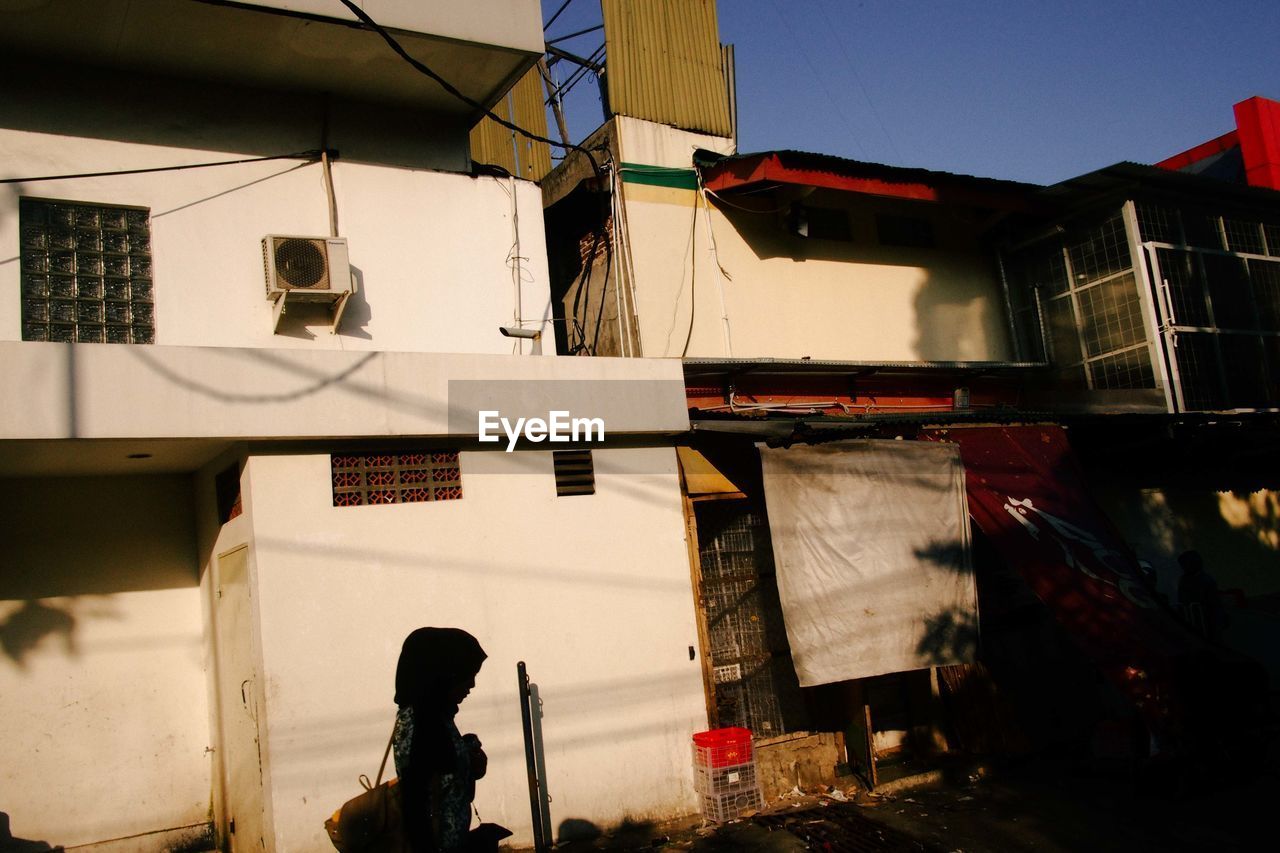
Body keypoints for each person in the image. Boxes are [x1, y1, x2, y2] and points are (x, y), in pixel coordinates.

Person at [393, 627, 491, 853]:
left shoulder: (438, 716)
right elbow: (415, 800)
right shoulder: (419, 722)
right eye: (467, 675)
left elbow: (446, 781)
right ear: (444, 674)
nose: (472, 685)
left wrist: (470, 762)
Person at [1176, 550, 1227, 643]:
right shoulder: (1184, 580)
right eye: (1183, 565)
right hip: (1191, 621)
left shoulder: (1206, 580)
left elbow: (1214, 605)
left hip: (1206, 621)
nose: (1183, 567)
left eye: (1186, 564)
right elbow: (1182, 600)